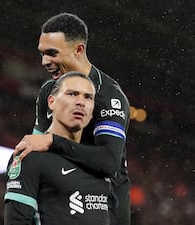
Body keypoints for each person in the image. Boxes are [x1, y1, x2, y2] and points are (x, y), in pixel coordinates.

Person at [14, 13, 131, 225]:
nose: (44, 62)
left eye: (52, 54)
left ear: (78, 50)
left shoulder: (108, 96)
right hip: (60, 207)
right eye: (42, 54)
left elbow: (108, 162)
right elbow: (33, 149)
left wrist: (53, 141)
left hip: (104, 211)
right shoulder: (49, 92)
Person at [4, 72, 110, 225]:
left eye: (88, 97)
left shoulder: (99, 162)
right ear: (52, 102)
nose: (81, 102)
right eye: (72, 94)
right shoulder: (31, 155)